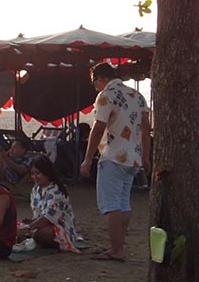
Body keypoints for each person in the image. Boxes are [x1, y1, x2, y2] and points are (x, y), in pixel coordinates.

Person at [81, 62, 150, 262]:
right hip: (133, 157)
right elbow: (146, 128)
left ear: (101, 78)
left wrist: (87, 159)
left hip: (113, 155)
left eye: (95, 82)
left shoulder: (106, 96)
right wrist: (145, 155)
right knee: (123, 203)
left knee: (111, 205)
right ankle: (118, 245)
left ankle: (116, 249)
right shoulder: (137, 95)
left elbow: (98, 127)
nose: (95, 86)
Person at [20, 154, 78, 252]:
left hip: (61, 229)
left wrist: (29, 228)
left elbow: (48, 218)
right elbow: (39, 215)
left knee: (41, 233)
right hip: (44, 224)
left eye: (38, 173)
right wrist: (30, 222)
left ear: (47, 173)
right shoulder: (36, 189)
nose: (35, 177)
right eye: (33, 174)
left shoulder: (56, 191)